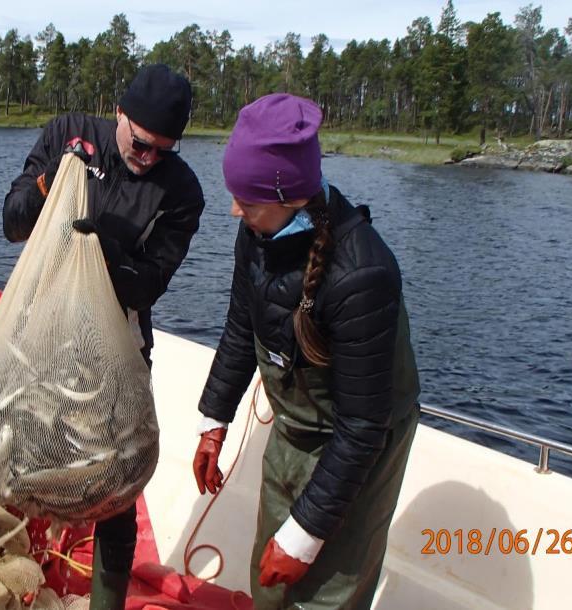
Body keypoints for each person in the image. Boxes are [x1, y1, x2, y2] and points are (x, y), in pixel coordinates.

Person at [192, 93, 420, 609]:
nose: (234, 209)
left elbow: (363, 428)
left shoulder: (362, 274)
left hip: (363, 441)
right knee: (269, 585)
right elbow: (239, 326)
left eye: (246, 199)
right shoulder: (256, 231)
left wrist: (305, 535)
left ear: (290, 195)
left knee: (324, 596)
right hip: (297, 425)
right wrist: (213, 421)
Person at [2, 63, 206, 610]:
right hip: (39, 325)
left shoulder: (182, 191)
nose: (149, 158)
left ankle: (106, 603)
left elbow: (151, 285)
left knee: (119, 483)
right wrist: (50, 186)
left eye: (164, 150)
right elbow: (12, 223)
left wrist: (108, 251)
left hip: (115, 337)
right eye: (141, 144)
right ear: (119, 113)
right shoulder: (69, 134)